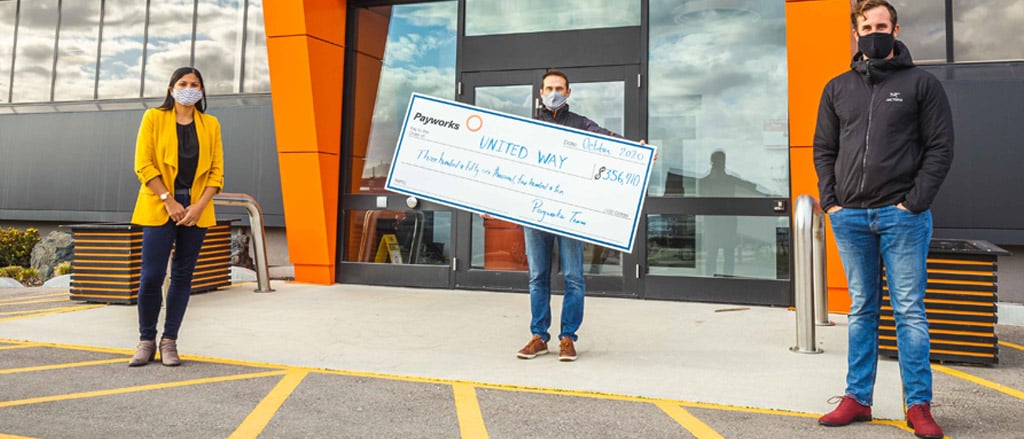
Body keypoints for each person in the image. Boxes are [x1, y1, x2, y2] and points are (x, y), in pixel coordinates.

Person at [812, 2, 953, 438]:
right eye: (867, 26)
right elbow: (824, 149)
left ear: (895, 29)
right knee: (861, 310)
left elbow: (940, 149)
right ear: (856, 34)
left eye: (882, 26)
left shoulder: (921, 85)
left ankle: (918, 405)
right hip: (850, 217)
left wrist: (913, 203)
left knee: (909, 311)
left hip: (902, 218)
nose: (874, 32)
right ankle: (858, 398)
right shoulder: (837, 88)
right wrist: (831, 202)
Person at [515, 69, 618, 362]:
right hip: (535, 212)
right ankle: (539, 336)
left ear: (569, 93)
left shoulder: (581, 125)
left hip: (569, 212)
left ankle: (567, 338)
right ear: (540, 92)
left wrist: (638, 152)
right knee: (538, 276)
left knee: (573, 276)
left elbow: (608, 140)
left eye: (559, 88)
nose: (554, 93)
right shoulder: (527, 127)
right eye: (549, 88)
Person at [128, 67, 225, 367]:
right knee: (152, 275)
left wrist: (198, 206)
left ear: (202, 91)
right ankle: (146, 340)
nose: (189, 88)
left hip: (196, 208)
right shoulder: (154, 118)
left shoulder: (210, 124)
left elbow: (216, 172)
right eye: (183, 83)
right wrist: (168, 200)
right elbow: (143, 165)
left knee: (182, 275)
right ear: (171, 89)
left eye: (195, 84)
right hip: (160, 205)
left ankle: (169, 341)